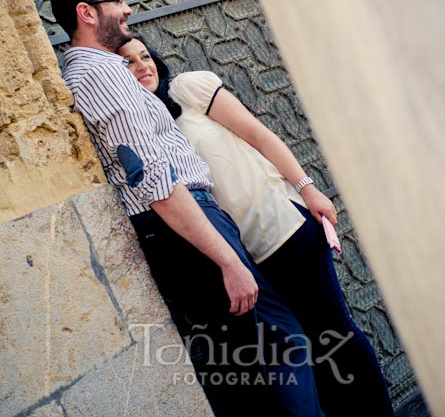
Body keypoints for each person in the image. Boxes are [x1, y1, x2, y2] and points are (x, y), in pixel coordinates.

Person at [49, 0, 321, 417]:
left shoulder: (102, 70)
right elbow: (152, 176)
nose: (127, 8)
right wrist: (228, 260)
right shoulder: (101, 73)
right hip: (182, 223)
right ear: (87, 13)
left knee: (254, 361)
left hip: (185, 224)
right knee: (279, 344)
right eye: (116, 0)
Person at [119, 36, 396, 417]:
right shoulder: (144, 128)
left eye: (145, 56)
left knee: (334, 332)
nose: (142, 66)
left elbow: (259, 134)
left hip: (285, 229)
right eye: (128, 63)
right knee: (305, 352)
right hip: (246, 260)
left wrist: (308, 189)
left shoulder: (188, 89)